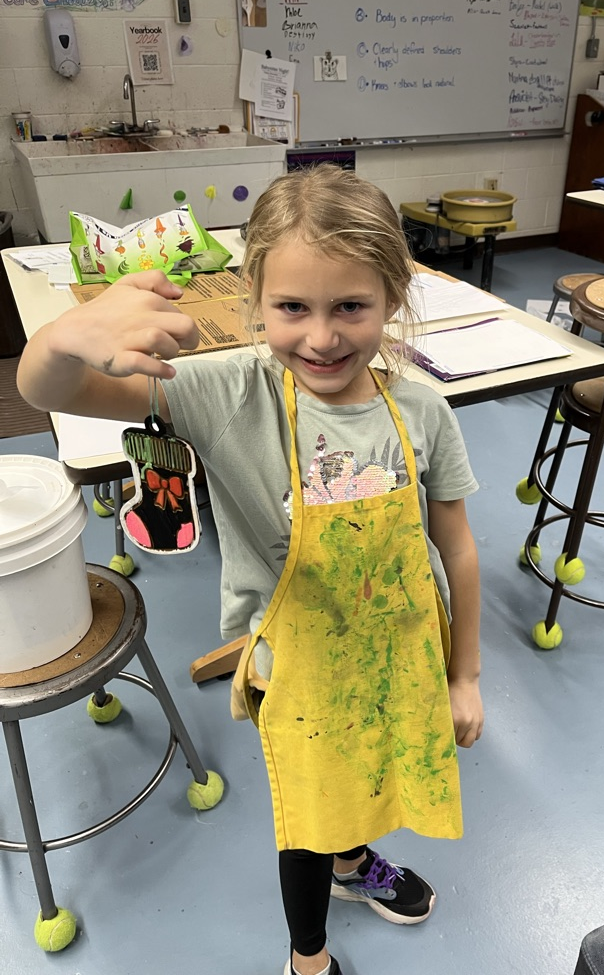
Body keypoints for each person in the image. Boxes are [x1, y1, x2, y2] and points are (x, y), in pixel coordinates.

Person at [18, 164, 484, 975]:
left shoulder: (423, 411)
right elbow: (51, 391)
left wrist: (464, 674)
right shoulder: (226, 394)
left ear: (393, 297)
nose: (322, 337)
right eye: (292, 307)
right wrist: (58, 342)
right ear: (255, 300)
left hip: (392, 653)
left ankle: (352, 864)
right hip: (294, 665)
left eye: (351, 307)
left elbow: (457, 546)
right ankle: (308, 957)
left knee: (363, 777)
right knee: (307, 816)